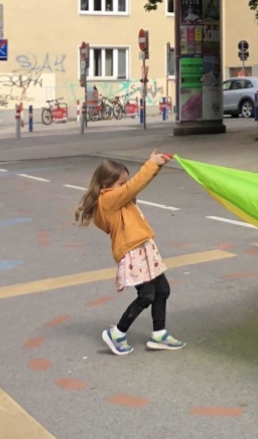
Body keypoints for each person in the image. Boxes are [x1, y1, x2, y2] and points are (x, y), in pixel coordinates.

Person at [75, 151, 186, 356]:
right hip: (132, 252)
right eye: (121, 183)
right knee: (147, 295)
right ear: (106, 184)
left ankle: (159, 334)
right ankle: (117, 333)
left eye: (125, 182)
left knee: (162, 290)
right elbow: (134, 185)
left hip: (143, 248)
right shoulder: (108, 200)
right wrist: (150, 164)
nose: (125, 187)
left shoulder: (117, 198)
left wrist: (157, 166)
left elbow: (136, 185)